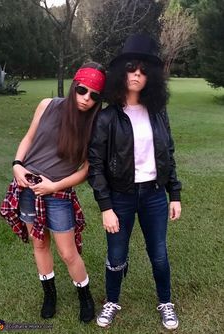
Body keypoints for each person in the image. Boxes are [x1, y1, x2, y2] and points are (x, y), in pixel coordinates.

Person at [88, 34, 182, 330]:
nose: (137, 74)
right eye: (131, 68)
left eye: (143, 70)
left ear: (150, 76)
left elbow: (168, 153)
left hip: (154, 195)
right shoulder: (107, 118)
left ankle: (165, 302)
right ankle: (112, 300)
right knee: (116, 254)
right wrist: (106, 206)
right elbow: (96, 165)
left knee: (159, 254)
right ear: (121, 73)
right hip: (120, 198)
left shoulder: (158, 113)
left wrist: (174, 194)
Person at [0, 62, 106, 323]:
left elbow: (85, 171)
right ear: (74, 86)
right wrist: (17, 165)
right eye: (82, 90)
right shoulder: (47, 105)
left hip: (58, 194)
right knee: (39, 243)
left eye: (94, 95)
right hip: (28, 187)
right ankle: (49, 294)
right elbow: (28, 137)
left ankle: (85, 296)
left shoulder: (95, 125)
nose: (86, 99)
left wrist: (54, 186)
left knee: (68, 252)